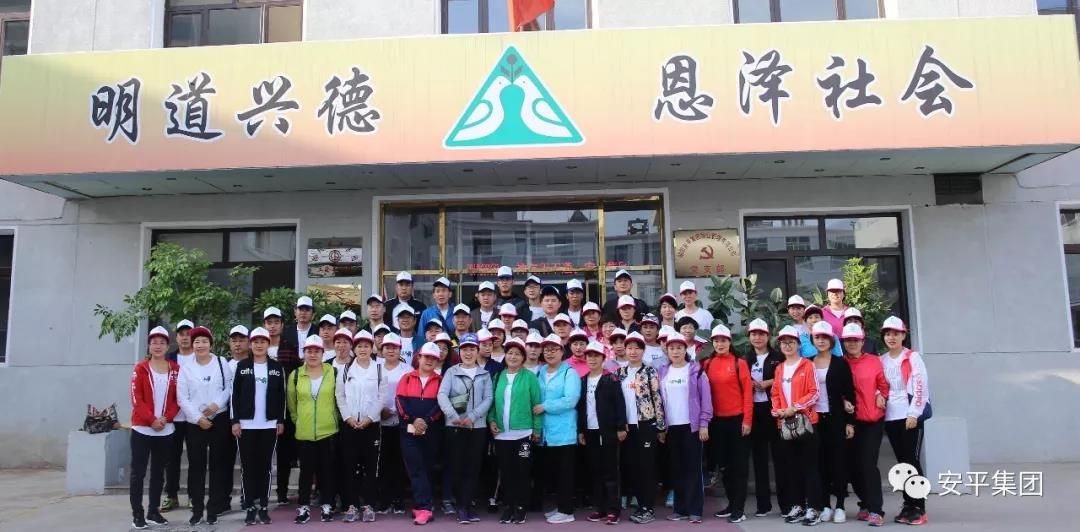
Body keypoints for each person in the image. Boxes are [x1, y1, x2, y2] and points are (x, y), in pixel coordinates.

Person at [176, 326, 233, 526]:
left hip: (219, 418)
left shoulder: (221, 362)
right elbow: (182, 397)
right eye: (197, 342)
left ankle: (213, 508)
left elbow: (229, 387)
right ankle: (197, 509)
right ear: (192, 345)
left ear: (211, 344)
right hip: (195, 422)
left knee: (218, 466)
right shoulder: (186, 368)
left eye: (204, 341)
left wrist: (217, 405)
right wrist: (197, 417)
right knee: (196, 467)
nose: (200, 345)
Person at [770, 325, 824, 526]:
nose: (787, 345)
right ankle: (798, 506)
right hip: (786, 424)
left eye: (791, 342)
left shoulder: (807, 365)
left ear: (799, 344)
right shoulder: (779, 368)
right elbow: (775, 393)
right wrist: (778, 410)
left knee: (810, 467)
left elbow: (814, 392)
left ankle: (814, 508)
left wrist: (795, 407)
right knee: (791, 468)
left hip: (806, 423)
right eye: (784, 342)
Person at [438, 333, 494, 524]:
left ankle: (469, 504)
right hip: (454, 427)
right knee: (457, 466)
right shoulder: (451, 372)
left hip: (477, 427)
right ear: (459, 352)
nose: (468, 353)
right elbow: (442, 395)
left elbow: (488, 398)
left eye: (472, 349)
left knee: (473, 467)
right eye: (464, 349)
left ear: (477, 351)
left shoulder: (485, 374)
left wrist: (473, 416)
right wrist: (453, 416)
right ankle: (461, 506)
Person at [231, 327, 285, 526]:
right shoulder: (242, 366)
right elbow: (234, 396)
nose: (259, 345)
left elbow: (281, 396)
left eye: (263, 342)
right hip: (246, 425)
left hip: (269, 425)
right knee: (248, 468)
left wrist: (280, 420)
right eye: (255, 342)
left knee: (265, 468)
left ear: (268, 344)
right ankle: (249, 507)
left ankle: (263, 506)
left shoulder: (276, 367)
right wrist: (235, 421)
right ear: (250, 344)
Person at [879, 316, 930, 526]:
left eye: (896, 334)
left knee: (912, 460)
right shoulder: (882, 360)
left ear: (903, 335)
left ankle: (919, 507)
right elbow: (879, 385)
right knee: (902, 463)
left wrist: (914, 413)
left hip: (909, 416)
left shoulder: (912, 357)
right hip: (891, 416)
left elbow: (920, 386)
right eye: (888, 334)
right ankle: (908, 504)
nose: (891, 337)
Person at [657, 329, 712, 523]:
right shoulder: (662, 372)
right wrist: (662, 428)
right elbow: (659, 401)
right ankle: (679, 509)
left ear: (685, 349)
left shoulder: (696, 370)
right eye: (671, 348)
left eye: (679, 348)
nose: (675, 351)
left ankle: (695, 509)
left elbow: (706, 399)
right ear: (667, 350)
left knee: (693, 469)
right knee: (677, 469)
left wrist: (704, 424)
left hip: (692, 427)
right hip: (672, 428)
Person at [487, 338, 542, 525]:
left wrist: (536, 429)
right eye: (510, 353)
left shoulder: (530, 377)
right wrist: (491, 420)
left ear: (523, 358)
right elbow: (492, 404)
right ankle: (508, 506)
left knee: (522, 471)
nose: (513, 357)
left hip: (523, 435)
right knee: (506, 472)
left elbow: (536, 405)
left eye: (517, 354)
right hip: (502, 435)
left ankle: (520, 507)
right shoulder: (498, 376)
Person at [701, 324, 752, 523]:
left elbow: (747, 394)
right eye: (716, 341)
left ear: (730, 342)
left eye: (723, 340)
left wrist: (747, 420)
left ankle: (739, 509)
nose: (720, 344)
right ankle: (731, 505)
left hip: (737, 420)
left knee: (739, 467)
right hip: (717, 422)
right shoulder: (707, 364)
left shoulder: (739, 363)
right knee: (724, 467)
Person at [130, 326, 180, 530]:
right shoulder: (140, 368)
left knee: (159, 473)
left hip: (165, 430)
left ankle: (153, 511)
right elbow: (137, 399)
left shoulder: (175, 369)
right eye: (154, 342)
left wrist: (166, 418)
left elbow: (178, 399)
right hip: (142, 429)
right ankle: (137, 514)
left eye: (162, 343)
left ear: (168, 346)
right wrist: (151, 420)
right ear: (149, 346)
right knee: (138, 473)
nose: (158, 346)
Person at [287, 335, 339, 524]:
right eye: (309, 351)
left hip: (328, 430)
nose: (313, 354)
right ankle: (303, 507)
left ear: (322, 353)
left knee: (327, 471)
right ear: (304, 353)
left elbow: (338, 398)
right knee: (306, 472)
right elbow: (292, 404)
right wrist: (299, 420)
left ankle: (327, 505)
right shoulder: (295, 375)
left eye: (317, 351)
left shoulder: (332, 372)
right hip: (305, 431)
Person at [335, 328, 386, 524]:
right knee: (349, 466)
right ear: (354, 349)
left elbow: (381, 398)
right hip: (350, 425)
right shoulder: (345, 370)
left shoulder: (379, 369)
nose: (363, 349)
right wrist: (348, 417)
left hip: (371, 425)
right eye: (359, 346)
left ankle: (369, 505)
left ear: (372, 348)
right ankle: (351, 505)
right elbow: (340, 396)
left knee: (370, 467)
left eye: (366, 346)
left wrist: (369, 418)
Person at [841, 322, 889, 527]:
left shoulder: (874, 361)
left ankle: (876, 510)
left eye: (856, 340)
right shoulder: (840, 363)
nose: (852, 343)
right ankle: (866, 503)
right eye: (848, 340)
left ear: (863, 342)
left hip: (872, 420)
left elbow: (884, 384)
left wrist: (881, 394)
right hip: (850, 423)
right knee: (852, 467)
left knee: (868, 465)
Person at [617, 331, 666, 524]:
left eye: (637, 348)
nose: (633, 351)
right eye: (629, 348)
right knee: (632, 467)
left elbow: (657, 399)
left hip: (646, 425)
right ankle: (640, 505)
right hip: (627, 427)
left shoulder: (649, 372)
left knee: (647, 467)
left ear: (643, 350)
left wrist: (660, 427)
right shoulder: (619, 373)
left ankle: (648, 508)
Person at [810, 321, 855, 525]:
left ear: (831, 340)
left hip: (836, 418)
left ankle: (841, 505)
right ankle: (825, 505)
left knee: (839, 463)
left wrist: (850, 422)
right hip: (815, 419)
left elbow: (849, 393)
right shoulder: (807, 363)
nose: (821, 341)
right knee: (820, 463)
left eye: (824, 337)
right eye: (817, 337)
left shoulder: (840, 363)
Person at [534, 333, 582, 524]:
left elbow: (571, 400)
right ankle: (560, 506)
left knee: (565, 474)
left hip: (564, 431)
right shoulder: (541, 371)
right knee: (553, 473)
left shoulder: (570, 373)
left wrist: (545, 406)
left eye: (554, 349)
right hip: (547, 432)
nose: (550, 353)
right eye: (546, 350)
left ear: (562, 351)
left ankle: (567, 511)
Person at [578, 341, 627, 525]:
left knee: (610, 471)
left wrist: (620, 427)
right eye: (589, 356)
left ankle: (614, 510)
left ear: (603, 358)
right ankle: (600, 508)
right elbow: (581, 408)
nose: (592, 359)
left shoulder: (611, 379)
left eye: (596, 356)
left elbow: (620, 404)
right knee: (595, 471)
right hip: (590, 431)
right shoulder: (583, 380)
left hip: (608, 431)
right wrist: (581, 431)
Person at [396, 342, 445, 525]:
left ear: (437, 361)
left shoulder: (441, 380)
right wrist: (413, 420)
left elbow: (440, 405)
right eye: (426, 357)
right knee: (415, 468)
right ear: (419, 358)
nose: (429, 361)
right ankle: (425, 507)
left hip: (431, 432)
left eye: (433, 358)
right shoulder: (407, 378)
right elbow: (400, 403)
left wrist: (426, 421)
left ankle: (422, 504)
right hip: (408, 432)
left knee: (427, 468)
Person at [743, 319, 785, 518]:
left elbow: (787, 377)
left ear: (768, 336)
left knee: (780, 457)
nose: (757, 338)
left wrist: (769, 382)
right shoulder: (745, 359)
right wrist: (749, 384)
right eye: (754, 334)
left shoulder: (779, 357)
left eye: (761, 334)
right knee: (759, 459)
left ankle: (786, 504)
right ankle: (763, 504)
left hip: (774, 410)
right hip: (755, 411)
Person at [161, 319, 194, 513]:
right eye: (182, 334)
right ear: (177, 337)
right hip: (173, 417)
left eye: (189, 334)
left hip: (194, 418)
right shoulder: (169, 359)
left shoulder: (201, 357)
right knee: (171, 458)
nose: (185, 337)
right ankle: (171, 495)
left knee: (195, 458)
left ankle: (193, 495)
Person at [376, 333, 410, 515]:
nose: (391, 350)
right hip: (379, 422)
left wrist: (398, 411)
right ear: (382, 350)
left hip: (401, 422)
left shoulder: (407, 369)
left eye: (394, 347)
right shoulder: (375, 367)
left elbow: (410, 395)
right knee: (382, 462)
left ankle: (398, 499)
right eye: (387, 347)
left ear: (400, 350)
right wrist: (379, 411)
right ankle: (384, 499)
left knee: (399, 461)